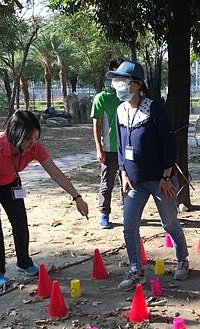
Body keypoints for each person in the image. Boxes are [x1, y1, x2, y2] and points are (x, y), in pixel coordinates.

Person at [0, 110, 89, 288]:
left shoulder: (36, 147)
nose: (33, 143)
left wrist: (77, 197)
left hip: (9, 181)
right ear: (16, 134)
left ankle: (24, 262)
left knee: (20, 221)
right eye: (29, 139)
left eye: (36, 138)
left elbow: (55, 173)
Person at [106, 60, 190, 291]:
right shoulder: (120, 111)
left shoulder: (154, 108)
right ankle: (136, 270)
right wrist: (123, 172)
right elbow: (121, 146)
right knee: (129, 225)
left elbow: (168, 144)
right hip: (133, 180)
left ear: (136, 84)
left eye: (122, 81)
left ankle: (182, 259)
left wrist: (166, 176)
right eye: (116, 81)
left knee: (170, 223)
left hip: (159, 179)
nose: (118, 86)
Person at [91, 58, 123, 229]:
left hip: (127, 150)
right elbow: (96, 125)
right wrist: (99, 148)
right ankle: (104, 214)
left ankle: (128, 212)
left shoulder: (129, 98)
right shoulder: (102, 98)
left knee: (128, 183)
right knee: (107, 183)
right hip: (109, 150)